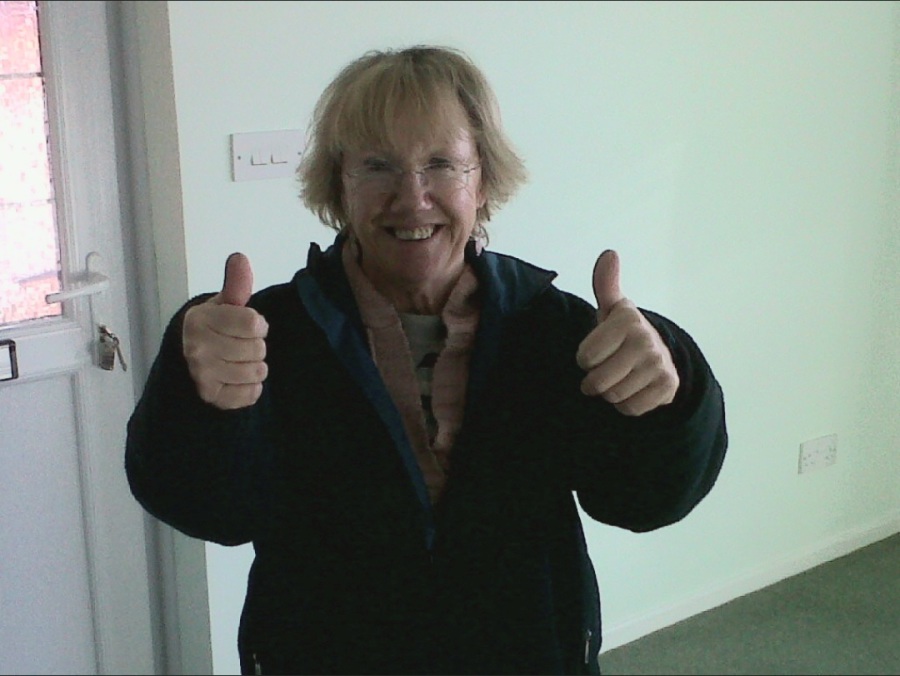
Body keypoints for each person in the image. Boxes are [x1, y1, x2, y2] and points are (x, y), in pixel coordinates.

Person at [125, 45, 727, 675]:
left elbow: (643, 501)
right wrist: (197, 398)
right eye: (378, 166)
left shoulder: (556, 330)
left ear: (483, 180)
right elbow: (211, 511)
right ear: (339, 185)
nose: (413, 199)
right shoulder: (268, 336)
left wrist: (672, 389)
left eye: (442, 164)